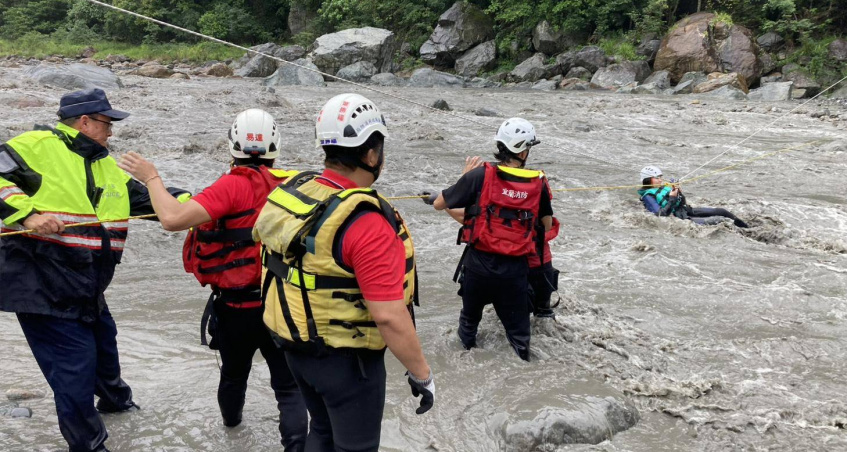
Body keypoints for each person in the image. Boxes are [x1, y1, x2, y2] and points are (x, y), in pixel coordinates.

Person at [0, 88, 190, 452]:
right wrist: (27, 215)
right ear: (85, 122)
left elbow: (150, 201)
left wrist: (201, 206)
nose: (112, 131)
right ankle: (89, 445)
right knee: (73, 368)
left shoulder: (106, 166)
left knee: (104, 345)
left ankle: (117, 403)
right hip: (42, 283)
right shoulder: (36, 146)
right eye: (107, 123)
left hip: (85, 283)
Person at [117, 109, 308, 451]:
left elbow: (172, 219)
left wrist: (151, 178)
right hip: (283, 303)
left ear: (233, 145)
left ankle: (233, 434)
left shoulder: (230, 186)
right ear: (275, 146)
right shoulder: (295, 185)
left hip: (236, 308)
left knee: (234, 375)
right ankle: (296, 447)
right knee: (288, 387)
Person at [252, 93, 435, 452]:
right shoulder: (365, 221)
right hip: (348, 366)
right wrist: (422, 374)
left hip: (297, 349)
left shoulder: (301, 191)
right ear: (371, 155)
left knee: (321, 431)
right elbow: (388, 316)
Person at [423, 117, 554, 361]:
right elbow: (545, 226)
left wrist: (463, 179)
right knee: (519, 341)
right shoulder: (538, 183)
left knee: (468, 328)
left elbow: (440, 203)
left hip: (477, 268)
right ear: (523, 151)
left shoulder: (479, 175)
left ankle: (461, 367)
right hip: (514, 273)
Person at [428, 156, 561, 320]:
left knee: (477, 319)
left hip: (509, 267)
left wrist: (461, 185)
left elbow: (474, 220)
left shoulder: (488, 181)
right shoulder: (537, 183)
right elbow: (546, 225)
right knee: (540, 317)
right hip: (539, 263)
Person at [638, 166, 749, 228]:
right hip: (679, 218)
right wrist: (672, 198)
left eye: (660, 177)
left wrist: (678, 192)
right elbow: (661, 214)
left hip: (686, 211)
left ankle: (747, 229)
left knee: (722, 211)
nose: (660, 180)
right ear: (648, 179)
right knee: (719, 220)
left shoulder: (664, 187)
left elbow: (682, 203)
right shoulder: (648, 196)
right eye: (657, 178)